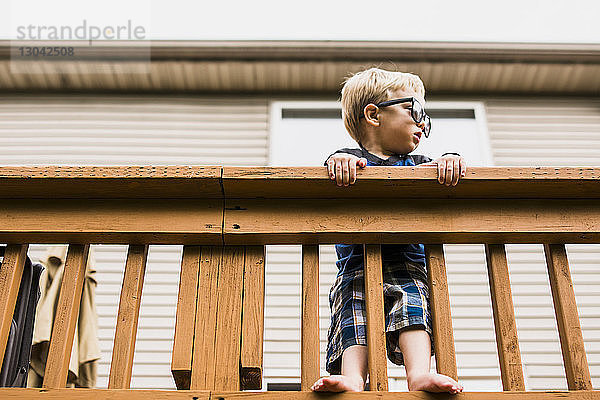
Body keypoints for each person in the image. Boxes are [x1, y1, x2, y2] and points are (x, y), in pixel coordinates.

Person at [311, 68, 466, 394]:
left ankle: (419, 373)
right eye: (416, 110)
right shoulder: (351, 160)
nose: (423, 123)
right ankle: (354, 376)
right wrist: (336, 162)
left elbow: (446, 171)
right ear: (373, 115)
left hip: (407, 263)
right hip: (357, 264)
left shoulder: (421, 164)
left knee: (412, 306)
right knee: (354, 313)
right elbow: (333, 169)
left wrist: (451, 160)